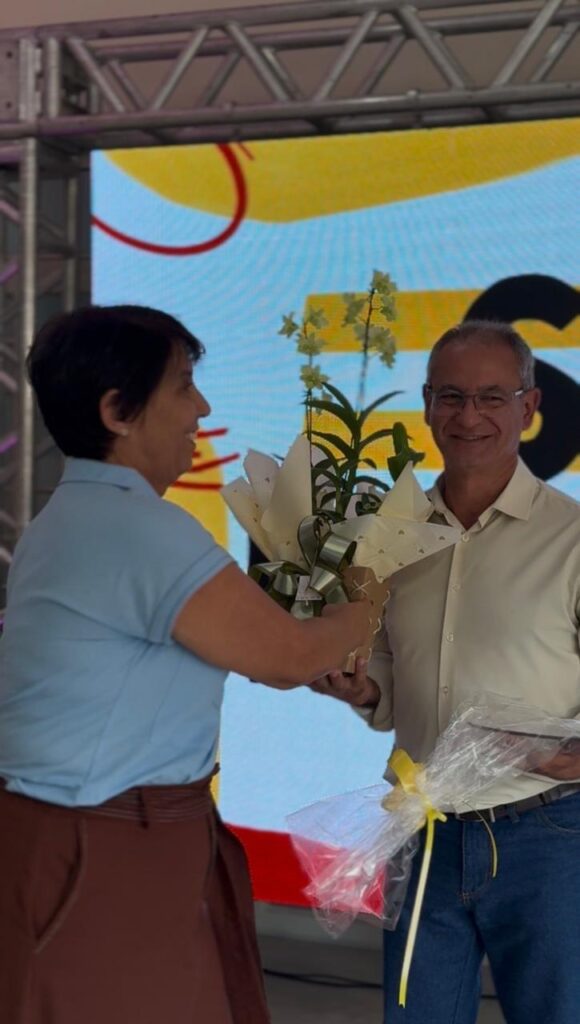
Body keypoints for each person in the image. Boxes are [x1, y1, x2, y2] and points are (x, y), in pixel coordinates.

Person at [0, 304, 370, 1024]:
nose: (200, 407)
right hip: (102, 856)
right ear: (117, 410)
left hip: (91, 844)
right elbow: (287, 656)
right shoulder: (138, 530)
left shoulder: (76, 515)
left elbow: (264, 654)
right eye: (181, 385)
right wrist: (376, 592)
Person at [311, 320, 580, 1024]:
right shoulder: (392, 536)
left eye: (493, 398)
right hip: (425, 831)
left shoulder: (572, 540)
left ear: (530, 406)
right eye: (452, 397)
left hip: (549, 835)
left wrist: (566, 759)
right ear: (427, 404)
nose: (469, 417)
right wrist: (364, 688)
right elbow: (390, 671)